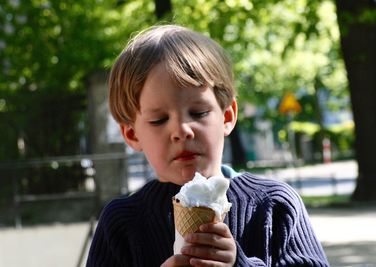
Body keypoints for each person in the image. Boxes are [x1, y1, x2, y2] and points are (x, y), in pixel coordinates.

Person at [86, 24, 329, 267]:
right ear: (132, 134)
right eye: (159, 120)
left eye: (199, 112)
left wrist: (240, 264)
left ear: (227, 116)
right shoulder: (120, 222)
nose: (181, 130)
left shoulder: (274, 204)